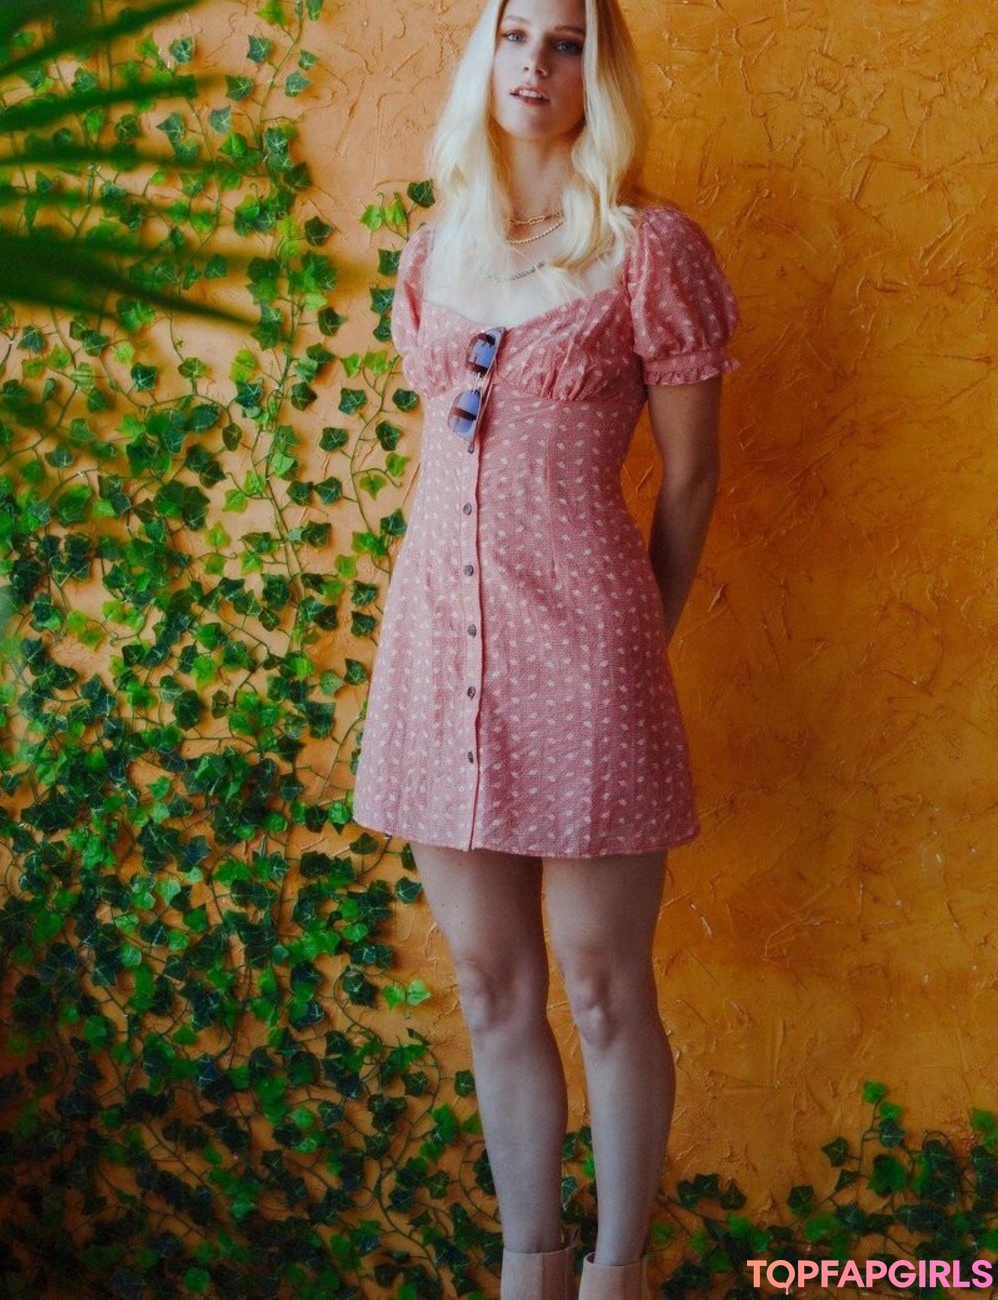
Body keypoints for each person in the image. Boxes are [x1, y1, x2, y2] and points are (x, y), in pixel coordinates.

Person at [352, 0, 739, 1296]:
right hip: (436, 653)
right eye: (517, 35)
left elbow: (691, 479)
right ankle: (532, 1265)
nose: (536, 63)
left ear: (598, 71)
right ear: (487, 52)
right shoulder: (433, 247)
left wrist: (640, 643)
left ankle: (616, 1274)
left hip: (588, 654)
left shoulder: (646, 248)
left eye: (567, 42)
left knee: (605, 983)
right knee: (488, 981)